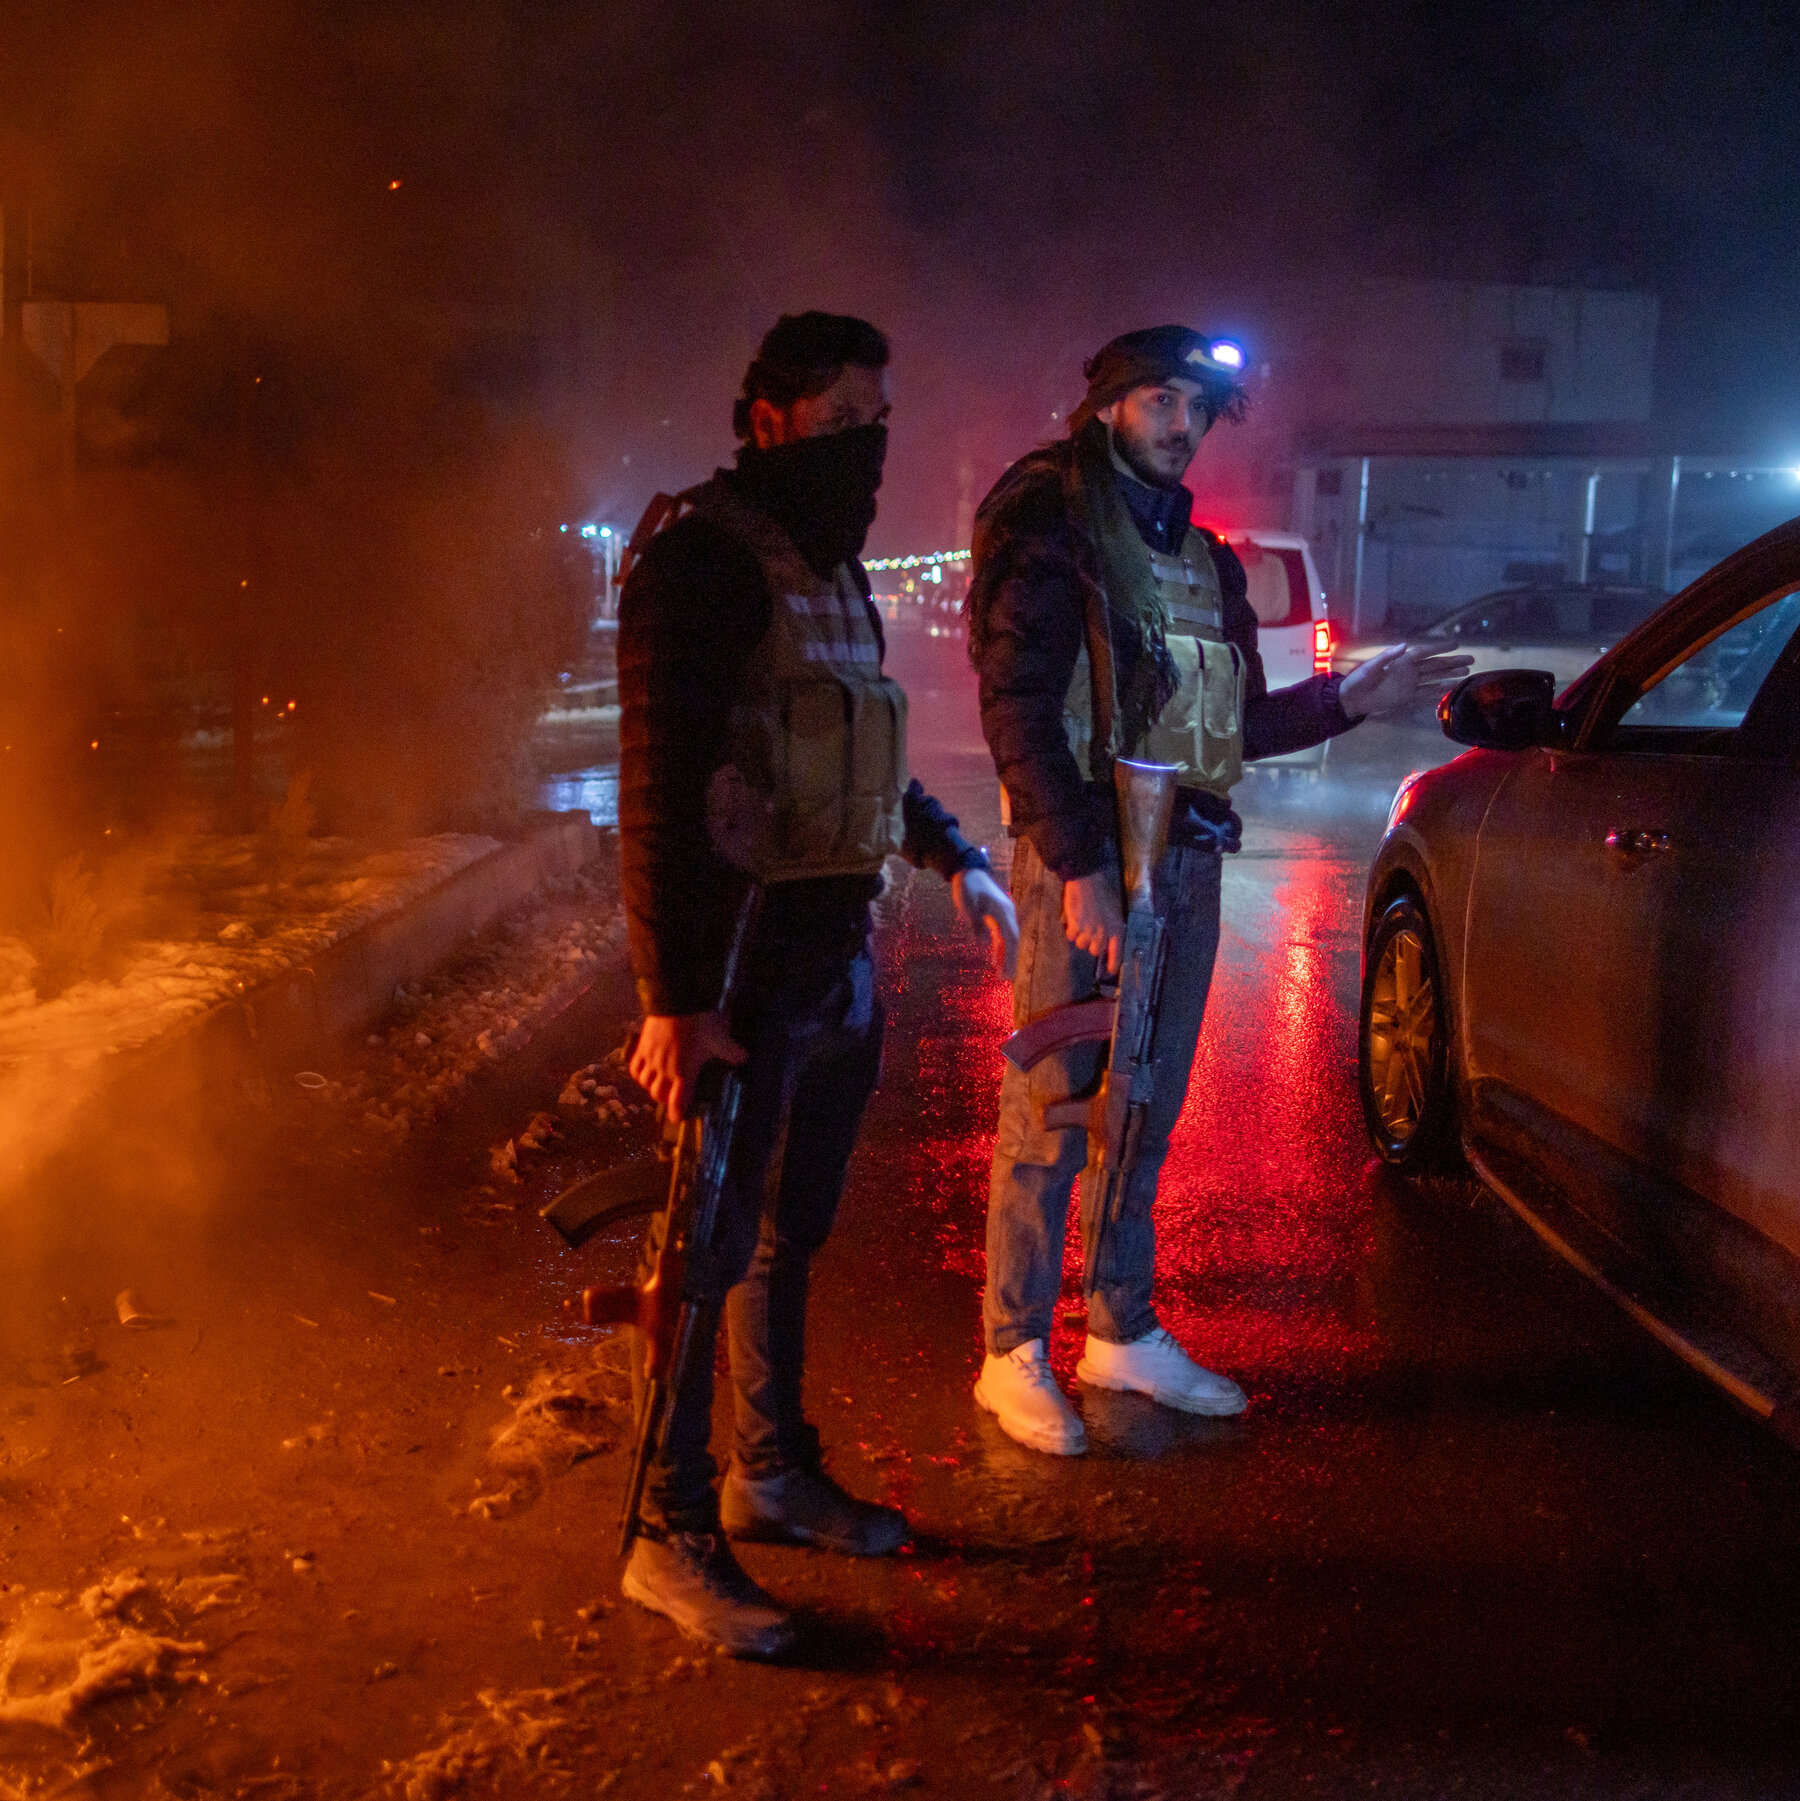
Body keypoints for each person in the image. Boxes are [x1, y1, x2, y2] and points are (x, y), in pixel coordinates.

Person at [966, 325, 1470, 1455]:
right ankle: (1012, 1349)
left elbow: (1232, 725)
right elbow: (1018, 704)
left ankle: (1119, 1329)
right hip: (1087, 865)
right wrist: (1079, 865)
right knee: (1051, 1112)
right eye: (1160, 400)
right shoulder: (1052, 524)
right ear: (1107, 405)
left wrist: (1348, 700)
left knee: (1144, 1106)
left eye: (1196, 406)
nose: (1182, 424)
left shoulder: (1205, 559)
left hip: (1187, 857)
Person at [617, 311, 1019, 1655]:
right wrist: (675, 997)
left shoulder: (835, 577)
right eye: (842, 420)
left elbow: (859, 760)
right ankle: (666, 1528)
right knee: (703, 1247)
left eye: (877, 421)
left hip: (833, 958)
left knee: (789, 1233)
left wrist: (955, 857)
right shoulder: (700, 559)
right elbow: (659, 789)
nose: (867, 446)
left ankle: (769, 1472)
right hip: (735, 976)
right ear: (769, 418)